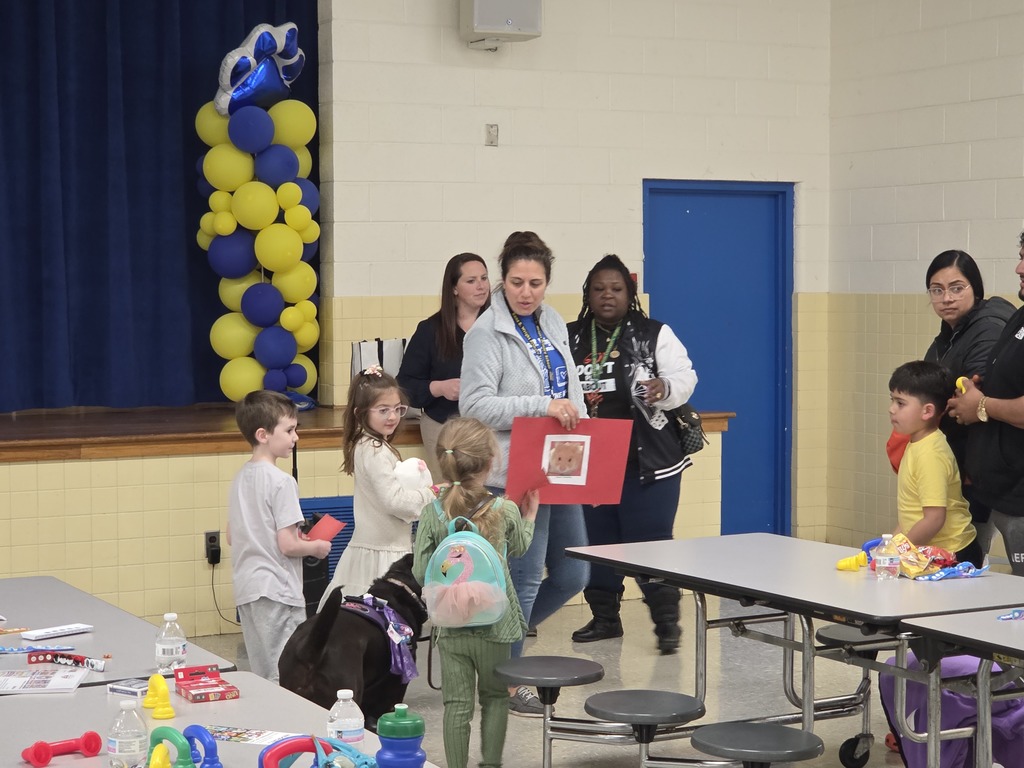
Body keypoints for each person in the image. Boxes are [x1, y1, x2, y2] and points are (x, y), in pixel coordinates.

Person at [460, 230, 589, 717]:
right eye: (516, 282)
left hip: (561, 464)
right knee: (526, 576)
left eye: (536, 282)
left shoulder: (552, 320)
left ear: (548, 282)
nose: (526, 292)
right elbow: (474, 404)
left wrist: (576, 411)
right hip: (512, 474)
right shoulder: (486, 332)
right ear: (503, 281)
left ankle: (491, 644)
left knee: (575, 573)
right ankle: (509, 682)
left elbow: (569, 386)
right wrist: (543, 405)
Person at [566, 255, 697, 653]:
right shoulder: (569, 336)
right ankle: (605, 619)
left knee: (651, 542)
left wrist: (665, 387)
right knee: (597, 543)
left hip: (648, 460)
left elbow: (685, 376)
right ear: (588, 294)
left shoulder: (653, 333)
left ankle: (667, 625)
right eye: (599, 288)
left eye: (616, 289)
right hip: (589, 461)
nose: (607, 295)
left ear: (630, 294)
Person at [412, 418, 538, 768]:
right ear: (490, 462)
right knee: (496, 698)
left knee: (456, 705)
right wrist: (530, 516)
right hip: (497, 626)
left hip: (451, 627)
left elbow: (421, 572)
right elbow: (520, 549)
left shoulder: (432, 514)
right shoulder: (504, 509)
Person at [226, 390, 332, 683]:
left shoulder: (239, 479)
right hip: (277, 590)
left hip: (247, 589)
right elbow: (287, 544)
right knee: (287, 673)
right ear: (263, 434)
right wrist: (317, 546)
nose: (295, 437)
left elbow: (232, 536)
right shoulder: (282, 482)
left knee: (262, 671)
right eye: (289, 430)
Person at [317, 365, 438, 610]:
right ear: (361, 413)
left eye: (397, 409)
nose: (392, 417)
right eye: (383, 410)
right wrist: (431, 493)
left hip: (382, 547)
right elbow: (393, 501)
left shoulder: (371, 445)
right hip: (382, 553)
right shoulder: (373, 450)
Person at [921, 250, 1014, 556]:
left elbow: (970, 399)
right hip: (966, 460)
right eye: (937, 290)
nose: (946, 298)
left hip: (991, 461)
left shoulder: (987, 328)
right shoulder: (950, 333)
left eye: (957, 288)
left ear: (976, 288)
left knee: (972, 551)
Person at [948, 237, 1024, 575]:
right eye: (1021, 257)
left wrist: (982, 405)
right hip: (1004, 490)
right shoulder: (1019, 317)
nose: (1018, 268)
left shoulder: (991, 320)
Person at [398, 253, 490, 479]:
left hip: (488, 428)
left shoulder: (499, 328)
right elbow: (404, 385)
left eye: (484, 278)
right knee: (451, 496)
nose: (481, 286)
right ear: (454, 288)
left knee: (488, 499)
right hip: (443, 427)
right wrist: (439, 388)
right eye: (471, 281)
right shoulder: (430, 330)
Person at [888, 361, 981, 566]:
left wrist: (896, 553)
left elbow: (934, 519)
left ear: (927, 411)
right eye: (892, 400)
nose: (891, 409)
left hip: (954, 555)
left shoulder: (930, 454)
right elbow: (910, 517)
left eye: (900, 403)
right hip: (932, 552)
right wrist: (889, 546)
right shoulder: (917, 444)